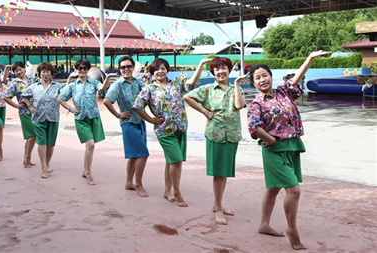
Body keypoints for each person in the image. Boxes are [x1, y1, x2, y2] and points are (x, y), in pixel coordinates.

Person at [247, 50, 330, 250]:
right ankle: (292, 230)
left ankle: (264, 225)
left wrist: (309, 58)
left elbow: (296, 79)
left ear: (271, 76)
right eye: (257, 78)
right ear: (254, 84)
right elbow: (253, 126)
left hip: (292, 145)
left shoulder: (283, 92)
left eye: (264, 75)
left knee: (274, 188)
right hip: (274, 150)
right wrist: (270, 139)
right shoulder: (257, 103)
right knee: (293, 190)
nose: (262, 79)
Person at [184, 57, 248, 225]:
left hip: (232, 134)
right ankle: (218, 208)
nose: (221, 71)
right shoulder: (208, 89)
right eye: (217, 69)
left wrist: (236, 85)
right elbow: (188, 97)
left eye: (224, 68)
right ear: (212, 72)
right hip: (216, 134)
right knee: (218, 174)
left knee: (224, 172)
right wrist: (205, 112)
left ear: (229, 70)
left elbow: (240, 106)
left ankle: (217, 204)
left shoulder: (235, 88)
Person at [132, 58, 198, 207]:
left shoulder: (176, 84)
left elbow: (192, 83)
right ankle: (177, 192)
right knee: (176, 160)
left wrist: (200, 65)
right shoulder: (149, 89)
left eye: (163, 68)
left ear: (167, 70)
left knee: (171, 161)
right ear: (152, 73)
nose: (160, 71)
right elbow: (137, 106)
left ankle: (167, 190)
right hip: (164, 130)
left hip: (180, 127)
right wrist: (150, 119)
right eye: (156, 69)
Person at [104, 56, 149, 197]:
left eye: (128, 66)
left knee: (134, 156)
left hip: (140, 121)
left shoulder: (138, 82)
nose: (126, 69)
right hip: (128, 123)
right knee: (143, 154)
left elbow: (148, 94)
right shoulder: (118, 85)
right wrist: (118, 115)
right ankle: (138, 184)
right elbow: (106, 101)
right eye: (123, 67)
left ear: (133, 67)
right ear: (119, 69)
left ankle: (129, 182)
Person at [58, 59, 108, 185]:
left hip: (93, 117)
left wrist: (108, 77)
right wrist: (71, 109)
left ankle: (85, 169)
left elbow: (102, 88)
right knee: (91, 144)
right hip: (81, 119)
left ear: (88, 70)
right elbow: (60, 98)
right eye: (80, 68)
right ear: (77, 70)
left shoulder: (94, 82)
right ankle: (89, 172)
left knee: (89, 146)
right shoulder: (73, 86)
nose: (82, 70)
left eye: (85, 68)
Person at [22, 62, 68, 178]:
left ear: (51, 73)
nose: (45, 74)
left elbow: (67, 92)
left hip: (53, 118)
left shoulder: (58, 86)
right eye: (43, 71)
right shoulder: (34, 86)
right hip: (38, 117)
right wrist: (30, 106)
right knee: (42, 142)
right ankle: (43, 167)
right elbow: (24, 95)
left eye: (47, 71)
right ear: (40, 73)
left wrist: (71, 78)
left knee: (50, 144)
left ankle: (47, 164)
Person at [3, 61, 37, 168]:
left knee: (30, 137)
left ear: (24, 69)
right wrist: (16, 105)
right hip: (24, 112)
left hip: (36, 112)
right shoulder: (15, 84)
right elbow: (5, 96)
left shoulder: (32, 80)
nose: (18, 72)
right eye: (16, 71)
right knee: (32, 135)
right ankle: (27, 159)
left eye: (20, 69)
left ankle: (26, 158)